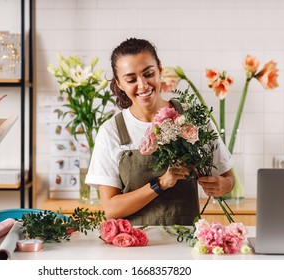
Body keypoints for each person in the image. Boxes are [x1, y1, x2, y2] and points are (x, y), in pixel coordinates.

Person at [85, 38, 235, 226]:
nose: (143, 85)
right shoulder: (111, 131)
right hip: (133, 246)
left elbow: (229, 178)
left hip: (186, 243)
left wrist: (222, 185)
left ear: (160, 70)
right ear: (120, 83)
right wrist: (162, 183)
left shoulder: (193, 118)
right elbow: (110, 209)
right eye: (131, 79)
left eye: (148, 74)